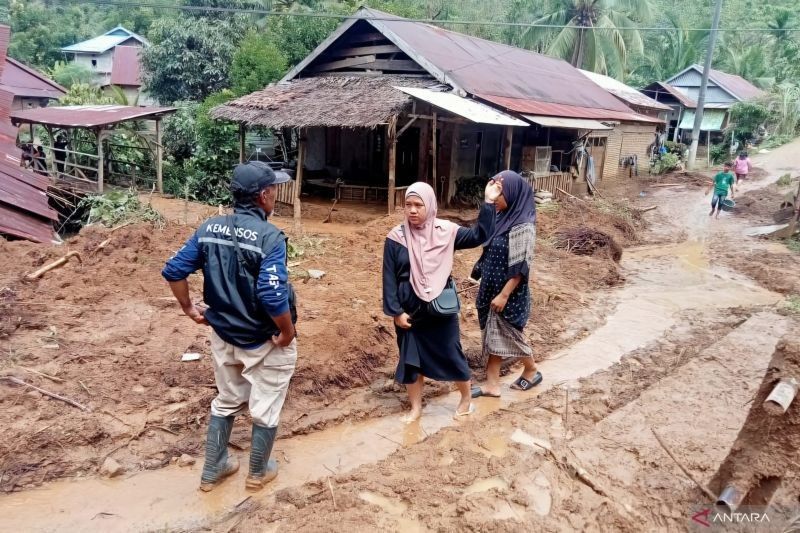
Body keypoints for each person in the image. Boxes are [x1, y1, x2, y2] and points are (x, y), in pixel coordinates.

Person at [162, 162, 298, 492]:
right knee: (266, 403)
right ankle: (258, 471)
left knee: (227, 399)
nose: (275, 196)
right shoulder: (270, 238)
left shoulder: (209, 228)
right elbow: (271, 291)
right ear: (264, 195)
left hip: (223, 334)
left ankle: (213, 469)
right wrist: (288, 330)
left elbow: (174, 270)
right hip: (263, 338)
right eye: (274, 190)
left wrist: (189, 308)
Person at [383, 181, 500, 422]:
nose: (412, 210)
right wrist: (395, 312)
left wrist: (489, 203)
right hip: (409, 312)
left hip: (439, 309)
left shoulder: (446, 232)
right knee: (410, 359)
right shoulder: (396, 237)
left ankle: (466, 399)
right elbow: (389, 278)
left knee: (450, 352)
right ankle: (416, 408)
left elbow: (480, 235)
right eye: (408, 205)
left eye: (418, 205)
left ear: (431, 206)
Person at [471, 171, 541, 399]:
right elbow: (483, 237)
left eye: (498, 196)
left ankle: (531, 369)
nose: (495, 201)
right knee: (493, 338)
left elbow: (521, 266)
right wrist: (488, 201)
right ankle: (492, 385)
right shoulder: (500, 218)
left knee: (509, 336)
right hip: (490, 288)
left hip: (509, 294)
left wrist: (504, 294)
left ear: (511, 195)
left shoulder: (523, 226)